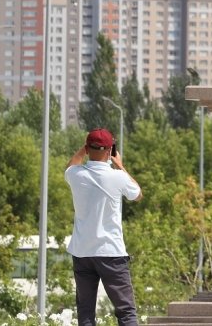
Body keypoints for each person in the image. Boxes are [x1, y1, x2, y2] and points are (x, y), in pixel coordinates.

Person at [65, 128, 141, 326]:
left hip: (82, 253)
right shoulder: (117, 177)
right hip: (110, 253)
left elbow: (70, 165)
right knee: (125, 311)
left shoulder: (76, 174)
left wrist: (85, 149)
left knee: (85, 311)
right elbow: (137, 194)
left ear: (87, 148)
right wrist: (121, 166)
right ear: (110, 150)